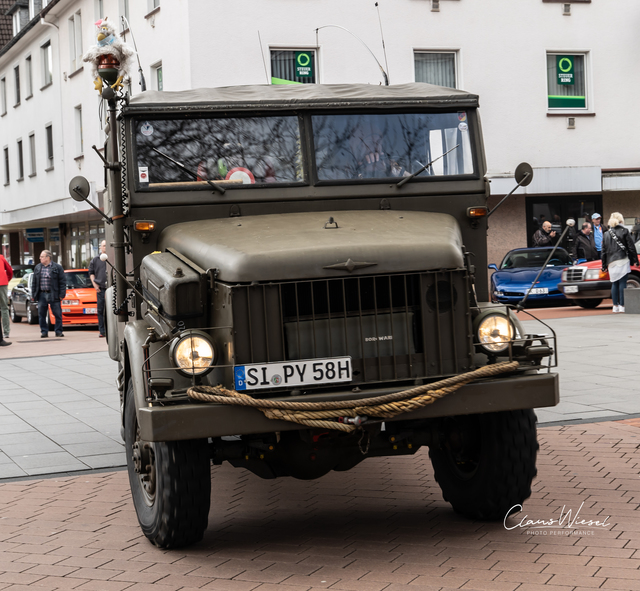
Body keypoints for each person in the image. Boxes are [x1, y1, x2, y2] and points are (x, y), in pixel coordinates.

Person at [602, 212, 639, 314]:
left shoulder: (606, 233)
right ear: (621, 220)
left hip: (611, 261)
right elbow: (631, 247)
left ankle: (615, 306)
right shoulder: (624, 231)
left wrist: (604, 265)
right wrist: (635, 260)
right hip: (622, 259)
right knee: (622, 282)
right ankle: (622, 306)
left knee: (614, 283)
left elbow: (603, 251)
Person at [32, 250, 66, 338]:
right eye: (40, 256)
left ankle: (58, 331)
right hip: (41, 294)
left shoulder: (57, 267)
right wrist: (34, 295)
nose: (40, 258)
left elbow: (62, 282)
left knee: (57, 314)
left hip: (53, 294)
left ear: (48, 257)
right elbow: (34, 282)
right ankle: (44, 331)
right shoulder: (38, 267)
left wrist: (62, 295)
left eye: (42, 256)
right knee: (41, 314)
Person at [89, 240, 107, 338]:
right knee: (101, 311)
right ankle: (102, 331)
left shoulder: (113, 258)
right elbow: (91, 272)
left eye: (107, 245)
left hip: (111, 289)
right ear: (100, 247)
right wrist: (94, 284)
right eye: (104, 246)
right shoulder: (95, 259)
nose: (105, 247)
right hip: (101, 289)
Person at [0, 254, 13, 339]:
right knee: (4, 307)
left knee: (4, 308)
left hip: (3, 282)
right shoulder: (1, 257)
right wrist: (6, 279)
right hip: (2, 284)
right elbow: (10, 270)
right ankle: (6, 332)